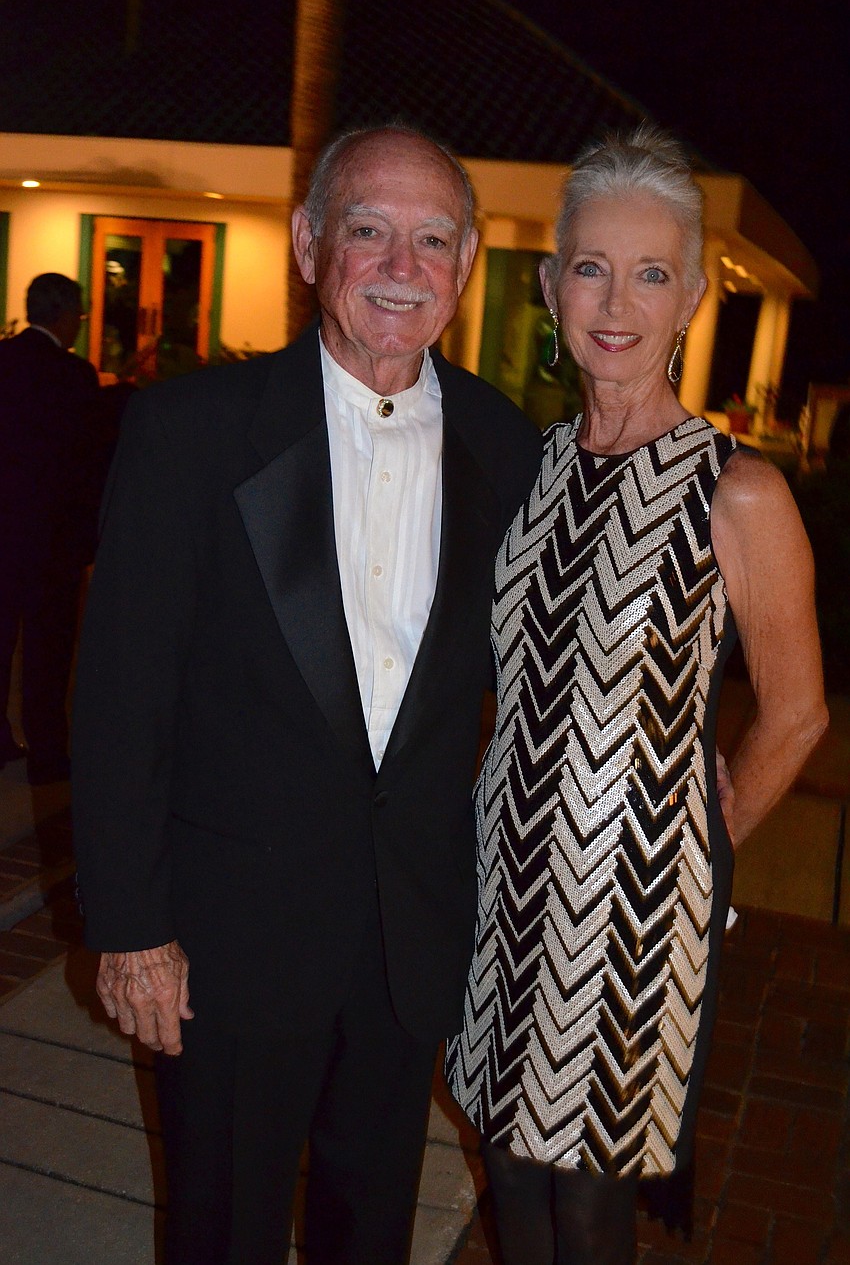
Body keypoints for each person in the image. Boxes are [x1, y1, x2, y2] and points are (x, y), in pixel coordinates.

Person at [71, 124, 542, 1265]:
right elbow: (121, 690)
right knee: (219, 1230)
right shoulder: (191, 431)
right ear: (307, 243)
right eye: (368, 230)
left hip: (407, 939)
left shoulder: (507, 444)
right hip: (227, 937)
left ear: (468, 261)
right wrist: (132, 926)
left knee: (367, 1229)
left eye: (432, 239)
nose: (400, 264)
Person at [445, 125, 828, 1265]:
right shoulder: (534, 466)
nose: (617, 301)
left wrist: (694, 846)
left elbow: (797, 711)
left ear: (694, 296)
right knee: (505, 1158)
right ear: (554, 281)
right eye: (592, 267)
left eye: (650, 272)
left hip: (631, 915)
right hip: (498, 876)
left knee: (590, 1199)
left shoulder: (737, 492)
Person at [0, 272, 101, 784]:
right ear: (64, 315)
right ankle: (46, 752)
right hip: (50, 541)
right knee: (48, 654)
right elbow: (85, 466)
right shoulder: (75, 377)